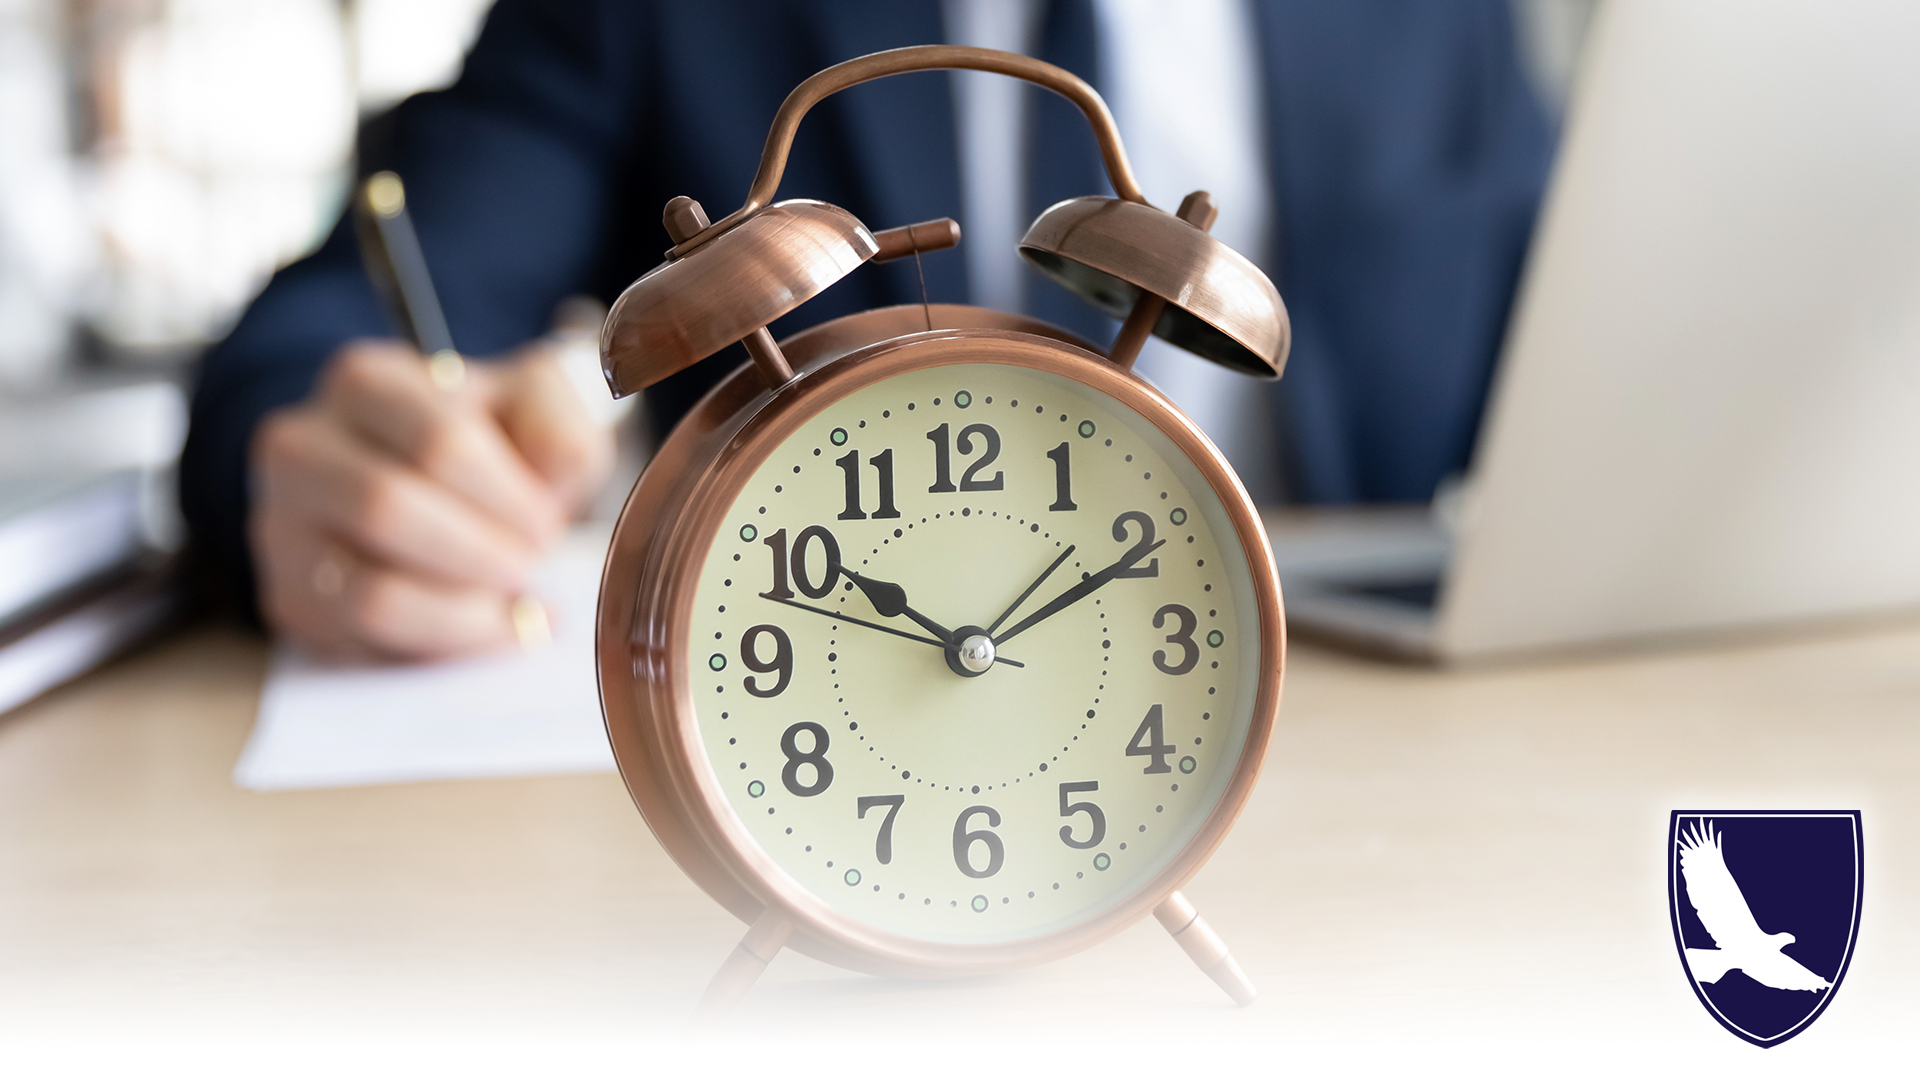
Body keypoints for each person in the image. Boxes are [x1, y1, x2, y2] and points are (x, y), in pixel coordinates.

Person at [180, 0, 1553, 661]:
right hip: (837, 699)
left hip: (1352, 701)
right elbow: (335, 321)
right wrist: (334, 456)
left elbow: (1572, 342)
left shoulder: (1445, 22)